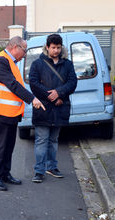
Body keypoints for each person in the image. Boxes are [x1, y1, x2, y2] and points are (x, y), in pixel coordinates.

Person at [0, 36, 45, 191]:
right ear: (15, 47)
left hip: (9, 112)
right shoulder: (0, 61)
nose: (24, 54)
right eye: (24, 51)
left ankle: (5, 174)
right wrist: (32, 99)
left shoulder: (10, 61)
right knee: (0, 146)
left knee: (9, 145)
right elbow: (12, 84)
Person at [29, 34, 77, 183]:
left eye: (58, 47)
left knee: (54, 139)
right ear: (47, 47)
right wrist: (51, 96)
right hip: (43, 107)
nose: (56, 50)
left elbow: (72, 82)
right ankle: (39, 171)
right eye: (53, 47)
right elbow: (34, 83)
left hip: (60, 107)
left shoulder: (67, 64)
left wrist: (59, 94)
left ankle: (52, 167)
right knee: (42, 140)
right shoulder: (37, 64)